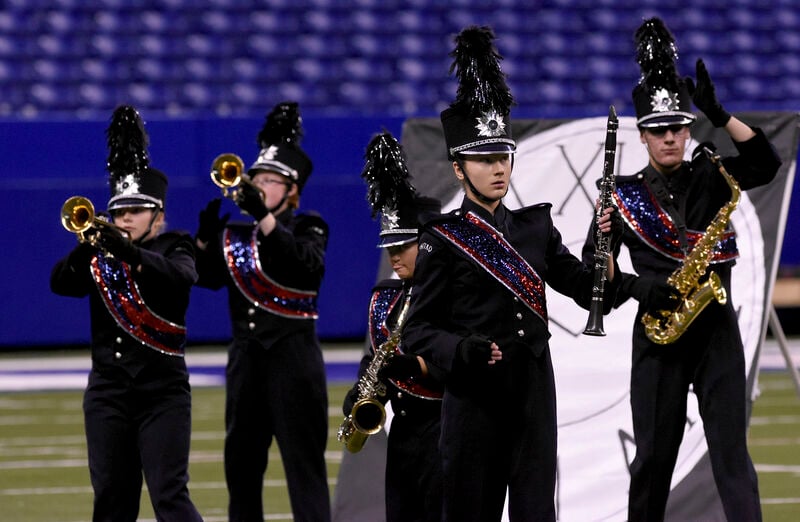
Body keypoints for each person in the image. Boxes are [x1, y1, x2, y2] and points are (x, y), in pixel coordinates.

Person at [400, 26, 622, 522]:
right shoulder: (441, 237)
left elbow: (590, 291)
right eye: (484, 159)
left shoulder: (534, 226)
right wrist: (461, 350)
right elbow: (418, 330)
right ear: (459, 168)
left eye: (503, 156)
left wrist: (606, 243)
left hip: (532, 398)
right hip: (473, 401)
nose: (498, 168)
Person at [593, 18, 783, 522]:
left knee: (731, 456)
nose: (670, 138)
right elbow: (600, 285)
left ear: (688, 127)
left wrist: (721, 115)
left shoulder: (712, 169)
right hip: (659, 337)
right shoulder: (622, 195)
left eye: (677, 126)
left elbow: (766, 163)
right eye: (658, 130)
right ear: (642, 135)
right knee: (653, 459)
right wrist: (637, 284)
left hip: (715, 328)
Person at [50, 105, 203, 522]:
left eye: (135, 211)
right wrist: (90, 243)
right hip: (108, 393)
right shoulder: (98, 254)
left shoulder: (176, 245)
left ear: (159, 215)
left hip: (162, 393)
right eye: (118, 211)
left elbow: (179, 279)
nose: (124, 218)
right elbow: (60, 283)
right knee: (112, 500)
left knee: (169, 496)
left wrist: (129, 252)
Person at [194, 101, 331, 522]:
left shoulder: (309, 226)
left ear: (292, 191)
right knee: (241, 468)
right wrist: (202, 242)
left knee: (303, 470)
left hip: (294, 361)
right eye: (257, 178)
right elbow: (203, 278)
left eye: (272, 180)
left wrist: (263, 217)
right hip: (246, 363)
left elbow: (304, 265)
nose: (260, 186)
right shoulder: (235, 235)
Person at [340, 131, 445, 522]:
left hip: (445, 432)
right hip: (402, 437)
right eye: (390, 247)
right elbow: (376, 357)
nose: (394, 256)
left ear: (428, 243)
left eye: (403, 246)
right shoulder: (385, 297)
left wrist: (408, 365)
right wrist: (363, 394)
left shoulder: (454, 296)